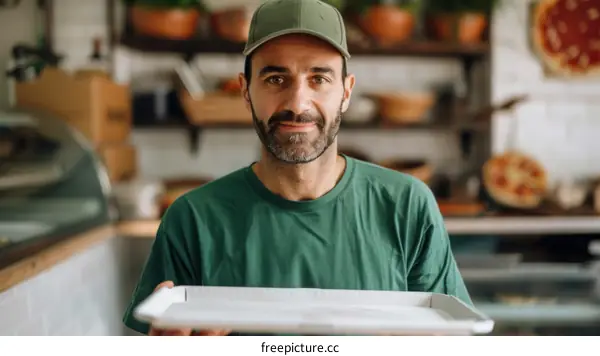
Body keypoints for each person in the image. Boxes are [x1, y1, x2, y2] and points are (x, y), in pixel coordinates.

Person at [122, 0, 472, 336]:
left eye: (319, 79)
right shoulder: (192, 219)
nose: (297, 103)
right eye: (276, 79)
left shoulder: (407, 206)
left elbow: (452, 339)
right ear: (245, 91)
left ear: (346, 93)